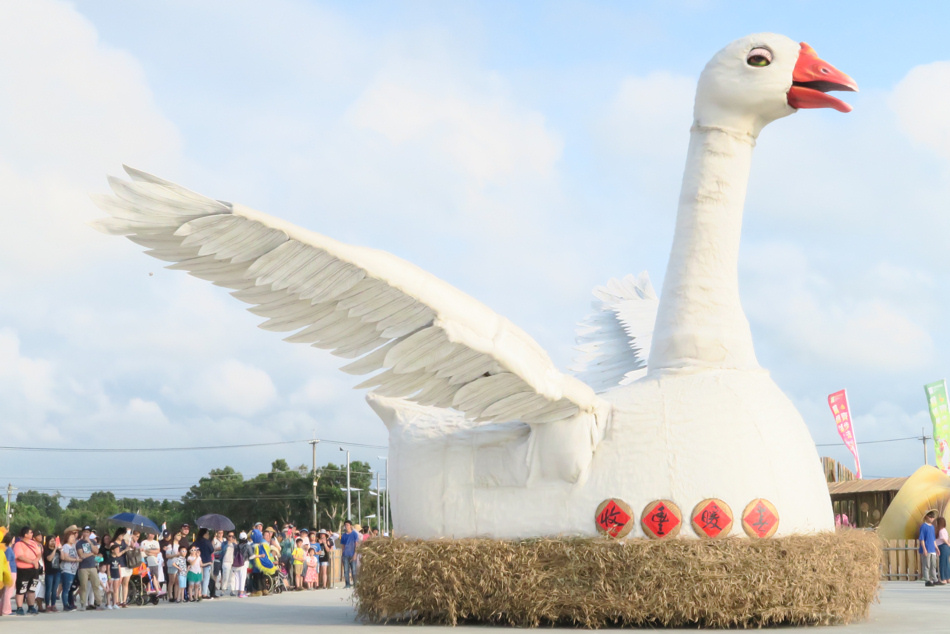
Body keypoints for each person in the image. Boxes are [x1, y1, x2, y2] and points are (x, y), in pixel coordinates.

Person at [12, 526, 42, 615]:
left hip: (34, 569)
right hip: (23, 569)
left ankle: (31, 606)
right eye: (30, 532)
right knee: (21, 589)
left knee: (32, 589)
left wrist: (36, 561)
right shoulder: (18, 544)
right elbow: (20, 556)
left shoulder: (33, 543)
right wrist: (32, 561)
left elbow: (39, 553)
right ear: (25, 534)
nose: (32, 534)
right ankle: (19, 607)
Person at [76, 526, 103, 610]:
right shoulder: (79, 543)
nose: (86, 533)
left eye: (88, 532)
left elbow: (97, 551)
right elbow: (82, 555)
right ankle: (83, 603)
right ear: (82, 533)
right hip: (83, 567)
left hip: (92, 566)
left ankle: (98, 603)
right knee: (83, 586)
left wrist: (90, 543)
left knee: (96, 585)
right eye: (85, 532)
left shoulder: (92, 542)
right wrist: (92, 553)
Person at [58, 526, 81, 612]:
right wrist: (76, 560)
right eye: (71, 537)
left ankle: (70, 603)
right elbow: (65, 557)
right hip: (67, 570)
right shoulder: (65, 546)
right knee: (66, 588)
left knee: (71, 588)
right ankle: (65, 605)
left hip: (73, 570)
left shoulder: (74, 546)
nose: (73, 538)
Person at [140, 530, 164, 596]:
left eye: (153, 534)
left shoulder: (156, 542)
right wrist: (152, 553)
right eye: (151, 533)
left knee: (155, 577)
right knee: (149, 577)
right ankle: (149, 589)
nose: (152, 535)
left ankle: (157, 589)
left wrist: (149, 552)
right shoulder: (144, 542)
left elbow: (158, 551)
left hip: (155, 562)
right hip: (147, 562)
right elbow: (143, 552)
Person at [112, 528, 130, 607]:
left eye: (124, 535)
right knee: (118, 583)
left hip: (126, 563)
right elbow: (117, 554)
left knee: (125, 583)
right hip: (118, 564)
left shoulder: (124, 542)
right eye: (122, 535)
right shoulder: (113, 543)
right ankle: (117, 600)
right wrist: (125, 550)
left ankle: (124, 600)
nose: (122, 537)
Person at [194, 528, 215, 599]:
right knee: (206, 578)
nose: (208, 535)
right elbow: (212, 550)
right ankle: (204, 593)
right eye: (208, 533)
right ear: (205, 534)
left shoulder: (196, 541)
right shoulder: (207, 542)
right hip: (206, 561)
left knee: (200, 579)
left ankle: (199, 593)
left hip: (198, 562)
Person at [43, 533, 61, 613]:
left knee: (54, 590)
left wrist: (60, 550)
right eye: (51, 541)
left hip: (57, 572)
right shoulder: (46, 550)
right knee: (48, 589)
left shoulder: (58, 551)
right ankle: (47, 605)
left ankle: (53, 605)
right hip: (49, 572)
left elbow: (62, 559)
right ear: (47, 542)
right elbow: (49, 559)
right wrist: (54, 550)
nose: (53, 542)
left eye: (54, 541)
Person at [920, 510, 939, 586]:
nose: (932, 518)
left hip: (932, 549)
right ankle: (927, 580)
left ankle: (935, 579)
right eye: (930, 517)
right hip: (927, 549)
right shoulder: (923, 526)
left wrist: (936, 548)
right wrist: (924, 549)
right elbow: (922, 539)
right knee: (926, 565)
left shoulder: (932, 527)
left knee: (933, 565)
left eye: (933, 517)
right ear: (926, 517)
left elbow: (933, 539)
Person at [340, 520, 359, 589]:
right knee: (346, 570)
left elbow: (356, 544)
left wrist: (355, 554)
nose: (346, 526)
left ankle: (355, 584)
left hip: (352, 554)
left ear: (350, 526)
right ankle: (347, 584)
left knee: (354, 570)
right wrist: (342, 554)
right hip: (345, 555)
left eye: (348, 525)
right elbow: (343, 546)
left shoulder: (354, 534)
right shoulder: (344, 535)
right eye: (345, 525)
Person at [233, 532, 250, 598]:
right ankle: (242, 593)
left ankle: (238, 592)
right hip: (244, 562)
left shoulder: (236, 546)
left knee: (237, 577)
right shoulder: (247, 546)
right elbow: (251, 555)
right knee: (242, 577)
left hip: (236, 563)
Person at [165, 532, 180, 601]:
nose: (179, 536)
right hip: (171, 564)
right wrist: (175, 555)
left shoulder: (179, 545)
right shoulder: (170, 545)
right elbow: (167, 556)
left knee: (177, 581)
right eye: (178, 535)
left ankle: (176, 596)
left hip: (178, 564)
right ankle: (170, 595)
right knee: (172, 581)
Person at [219, 532, 235, 597]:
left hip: (233, 562)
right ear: (227, 536)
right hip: (225, 562)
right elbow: (223, 550)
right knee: (225, 576)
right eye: (229, 536)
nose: (231, 537)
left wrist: (235, 543)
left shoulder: (235, 544)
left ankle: (232, 590)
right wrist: (228, 544)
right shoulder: (224, 543)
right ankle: (223, 590)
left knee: (233, 577)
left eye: (232, 536)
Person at [937, 516, 950, 585]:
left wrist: (947, 543)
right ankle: (948, 578)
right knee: (946, 563)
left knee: (942, 563)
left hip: (943, 547)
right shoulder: (945, 530)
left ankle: (943, 578)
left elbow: (943, 539)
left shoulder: (941, 531)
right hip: (946, 548)